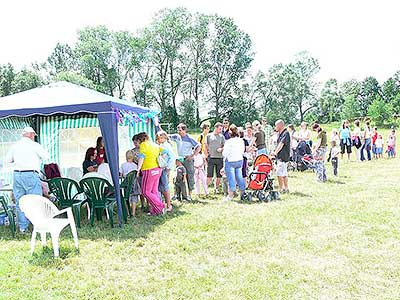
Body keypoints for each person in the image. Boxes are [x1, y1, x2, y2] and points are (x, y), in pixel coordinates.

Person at [6, 126, 49, 233]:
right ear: (30, 134)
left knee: (20, 201)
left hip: (17, 175)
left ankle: (22, 228)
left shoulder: (15, 146)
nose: (34, 137)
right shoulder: (35, 145)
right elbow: (46, 156)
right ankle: (37, 226)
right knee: (35, 200)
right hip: (31, 174)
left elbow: (8, 160)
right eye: (34, 135)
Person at [137, 132, 165, 216]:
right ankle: (155, 211)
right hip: (157, 169)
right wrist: (160, 158)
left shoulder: (143, 145)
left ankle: (160, 206)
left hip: (148, 170)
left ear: (140, 140)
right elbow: (165, 151)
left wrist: (138, 169)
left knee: (145, 191)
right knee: (154, 191)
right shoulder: (154, 145)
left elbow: (141, 157)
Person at [169, 123, 201, 199]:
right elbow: (166, 136)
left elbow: (198, 146)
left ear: (184, 130)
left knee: (189, 176)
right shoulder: (177, 137)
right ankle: (176, 194)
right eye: (178, 130)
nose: (179, 132)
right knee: (177, 176)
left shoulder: (189, 138)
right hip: (180, 159)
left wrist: (192, 155)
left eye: (180, 130)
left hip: (188, 159)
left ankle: (189, 195)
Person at [222, 124, 246, 201]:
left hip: (230, 161)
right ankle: (243, 194)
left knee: (231, 179)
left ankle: (230, 195)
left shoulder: (228, 142)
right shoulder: (241, 141)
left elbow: (225, 153)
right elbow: (243, 150)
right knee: (240, 177)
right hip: (239, 160)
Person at [156, 131, 174, 212]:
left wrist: (168, 167)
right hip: (161, 168)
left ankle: (169, 204)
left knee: (165, 185)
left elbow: (172, 157)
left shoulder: (166, 146)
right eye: (158, 138)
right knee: (160, 186)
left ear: (165, 138)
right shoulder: (160, 145)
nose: (160, 139)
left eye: (161, 138)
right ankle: (162, 203)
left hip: (164, 167)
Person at [271, 120, 290, 193]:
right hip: (281, 156)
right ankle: (286, 188)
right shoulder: (280, 133)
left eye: (276, 125)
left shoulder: (285, 133)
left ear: (280, 125)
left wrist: (275, 153)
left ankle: (281, 189)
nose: (275, 127)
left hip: (283, 157)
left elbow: (281, 144)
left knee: (279, 173)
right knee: (284, 173)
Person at [205, 122, 225, 193]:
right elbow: (206, 145)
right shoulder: (209, 136)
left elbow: (224, 146)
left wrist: (221, 149)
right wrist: (207, 154)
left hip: (219, 158)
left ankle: (216, 188)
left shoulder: (222, 136)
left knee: (219, 175)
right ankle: (205, 188)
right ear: (215, 128)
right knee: (209, 175)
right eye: (220, 129)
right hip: (211, 157)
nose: (221, 130)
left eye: (221, 129)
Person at [119, 150, 140, 217]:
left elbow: (121, 174)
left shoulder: (123, 165)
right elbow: (137, 175)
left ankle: (128, 212)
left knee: (126, 197)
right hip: (134, 184)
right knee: (134, 198)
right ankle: (133, 213)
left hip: (126, 185)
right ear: (133, 157)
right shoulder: (135, 166)